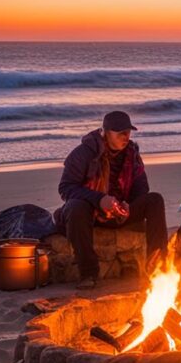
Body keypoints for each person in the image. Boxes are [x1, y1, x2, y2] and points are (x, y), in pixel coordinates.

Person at [54, 111, 168, 290]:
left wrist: (128, 205)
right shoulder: (84, 153)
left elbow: (141, 189)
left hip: (119, 213)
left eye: (128, 132)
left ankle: (158, 268)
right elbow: (66, 188)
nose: (126, 137)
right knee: (75, 207)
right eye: (120, 133)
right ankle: (88, 273)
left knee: (154, 200)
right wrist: (99, 200)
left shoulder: (132, 154)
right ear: (106, 132)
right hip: (91, 213)